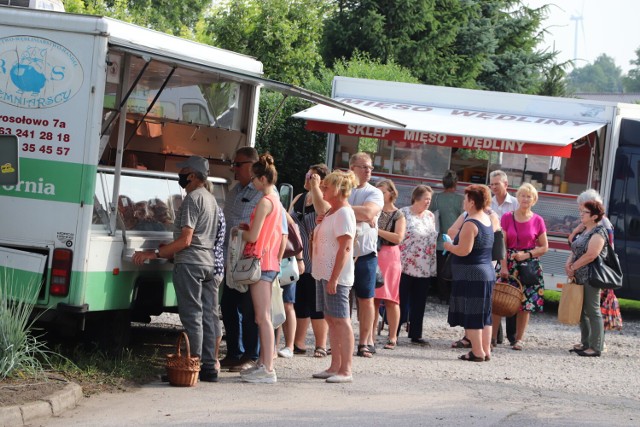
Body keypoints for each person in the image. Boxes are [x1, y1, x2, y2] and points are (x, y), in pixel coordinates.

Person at [132, 155, 220, 382]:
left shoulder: (192, 199)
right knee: (209, 315)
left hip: (190, 262)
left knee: (192, 315)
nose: (181, 175)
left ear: (192, 175)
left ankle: (193, 364)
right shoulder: (211, 198)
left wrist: (155, 253)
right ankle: (209, 367)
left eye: (184, 171)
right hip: (208, 262)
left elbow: (186, 239)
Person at [236, 153, 283, 383]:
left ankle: (268, 368)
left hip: (261, 261)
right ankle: (263, 363)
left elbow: (253, 235)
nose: (252, 182)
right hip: (269, 260)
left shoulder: (265, 201)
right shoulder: (275, 200)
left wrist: (239, 232)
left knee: (262, 317)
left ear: (264, 179)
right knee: (263, 316)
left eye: (255, 178)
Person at [311, 170, 357, 383]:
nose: (323, 190)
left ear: (338, 189)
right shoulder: (332, 212)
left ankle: (345, 370)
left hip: (334, 276)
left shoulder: (345, 213)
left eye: (326, 187)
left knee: (341, 320)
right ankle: (335, 366)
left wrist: (334, 278)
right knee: (331, 319)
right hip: (324, 273)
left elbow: (345, 248)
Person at [220, 147, 262, 373]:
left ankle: (251, 355)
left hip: (249, 260)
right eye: (234, 164)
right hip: (231, 258)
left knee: (248, 310)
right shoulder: (236, 190)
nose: (234, 169)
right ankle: (234, 352)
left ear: (252, 166)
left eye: (238, 164)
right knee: (227, 306)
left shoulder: (261, 193)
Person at [495, 183, 548, 351]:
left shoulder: (538, 220)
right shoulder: (507, 217)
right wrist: (503, 266)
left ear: (534, 200)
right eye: (523, 195)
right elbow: (501, 244)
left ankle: (519, 339)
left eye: (529, 196)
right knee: (498, 301)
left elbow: (544, 247)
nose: (525, 199)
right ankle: (491, 338)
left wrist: (526, 255)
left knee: (526, 305)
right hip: (508, 263)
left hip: (529, 266)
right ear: (517, 198)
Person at [445, 184, 495, 361]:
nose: (463, 202)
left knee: (472, 313)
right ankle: (486, 350)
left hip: (471, 274)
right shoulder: (487, 219)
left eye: (466, 199)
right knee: (485, 314)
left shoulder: (470, 223)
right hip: (486, 272)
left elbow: (464, 250)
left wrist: (449, 246)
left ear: (472, 202)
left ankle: (477, 352)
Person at [291, 164, 331, 357]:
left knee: (317, 306)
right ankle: (299, 343)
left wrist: (316, 188)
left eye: (311, 175)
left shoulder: (322, 197)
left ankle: (320, 345)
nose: (307, 177)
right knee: (300, 302)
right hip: (300, 260)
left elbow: (323, 211)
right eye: (307, 174)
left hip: (317, 261)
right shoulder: (299, 197)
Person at [348, 153, 383, 357]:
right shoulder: (344, 188)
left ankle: (364, 343)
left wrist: (342, 210)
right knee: (341, 298)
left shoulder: (374, 192)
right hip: (344, 252)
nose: (369, 171)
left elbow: (369, 213)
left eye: (370, 167)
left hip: (365, 252)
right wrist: (357, 213)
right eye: (364, 167)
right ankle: (339, 341)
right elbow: (327, 209)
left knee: (366, 298)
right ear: (352, 168)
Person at [565, 200, 608, 357]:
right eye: (581, 211)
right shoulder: (584, 231)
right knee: (581, 311)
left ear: (594, 216)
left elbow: (591, 255)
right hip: (579, 276)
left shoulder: (599, 232)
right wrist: (569, 264)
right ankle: (586, 343)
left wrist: (573, 267)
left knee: (593, 310)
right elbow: (575, 249)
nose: (581, 214)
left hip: (591, 277)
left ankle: (596, 347)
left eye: (585, 212)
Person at [398, 185, 437, 345]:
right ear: (416, 198)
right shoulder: (403, 213)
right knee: (401, 299)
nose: (428, 202)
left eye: (429, 199)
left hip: (425, 264)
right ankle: (394, 331)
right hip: (405, 262)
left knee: (419, 301)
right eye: (425, 198)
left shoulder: (430, 216)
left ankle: (416, 333)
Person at [372, 179, 406, 350]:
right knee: (372, 299)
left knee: (391, 299)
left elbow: (398, 237)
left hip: (390, 256)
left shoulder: (398, 214)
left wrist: (376, 230)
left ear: (391, 193)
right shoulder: (373, 210)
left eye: (383, 191)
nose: (379, 194)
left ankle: (393, 336)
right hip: (373, 253)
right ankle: (369, 335)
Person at [489, 170, 519, 346]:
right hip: (490, 251)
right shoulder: (488, 202)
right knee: (494, 294)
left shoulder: (515, 203)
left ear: (506, 184)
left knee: (509, 294)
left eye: (496, 184)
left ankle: (512, 335)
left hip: (508, 252)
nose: (493, 187)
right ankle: (495, 334)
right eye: (491, 184)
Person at [430, 170, 463, 303]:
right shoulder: (461, 199)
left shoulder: (436, 198)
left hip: (439, 240)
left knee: (441, 269)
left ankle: (443, 295)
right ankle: (453, 296)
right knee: (456, 269)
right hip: (456, 241)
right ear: (456, 183)